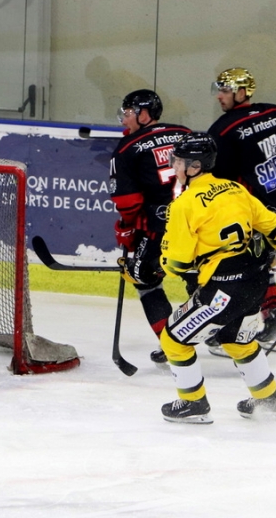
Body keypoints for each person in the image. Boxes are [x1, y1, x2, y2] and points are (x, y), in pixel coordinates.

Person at [147, 132, 276, 424]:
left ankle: (193, 404)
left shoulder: (184, 204)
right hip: (256, 281)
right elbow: (272, 224)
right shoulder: (234, 189)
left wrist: (157, 265)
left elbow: (178, 264)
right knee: (237, 340)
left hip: (223, 289)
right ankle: (268, 400)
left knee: (173, 340)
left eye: (178, 161)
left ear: (194, 167)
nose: (174, 166)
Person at [206, 67, 276, 355]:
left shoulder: (223, 130)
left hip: (250, 212)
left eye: (225, 91)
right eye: (219, 90)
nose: (219, 96)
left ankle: (237, 331)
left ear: (242, 92)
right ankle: (272, 326)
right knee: (259, 265)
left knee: (242, 269)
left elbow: (218, 181)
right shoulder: (275, 112)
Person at [109, 89, 191, 365]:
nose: (124, 120)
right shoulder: (185, 133)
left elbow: (128, 202)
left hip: (159, 229)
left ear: (144, 115)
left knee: (145, 280)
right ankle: (226, 333)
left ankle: (172, 345)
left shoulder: (127, 148)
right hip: (198, 224)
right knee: (201, 279)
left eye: (128, 114)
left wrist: (126, 228)